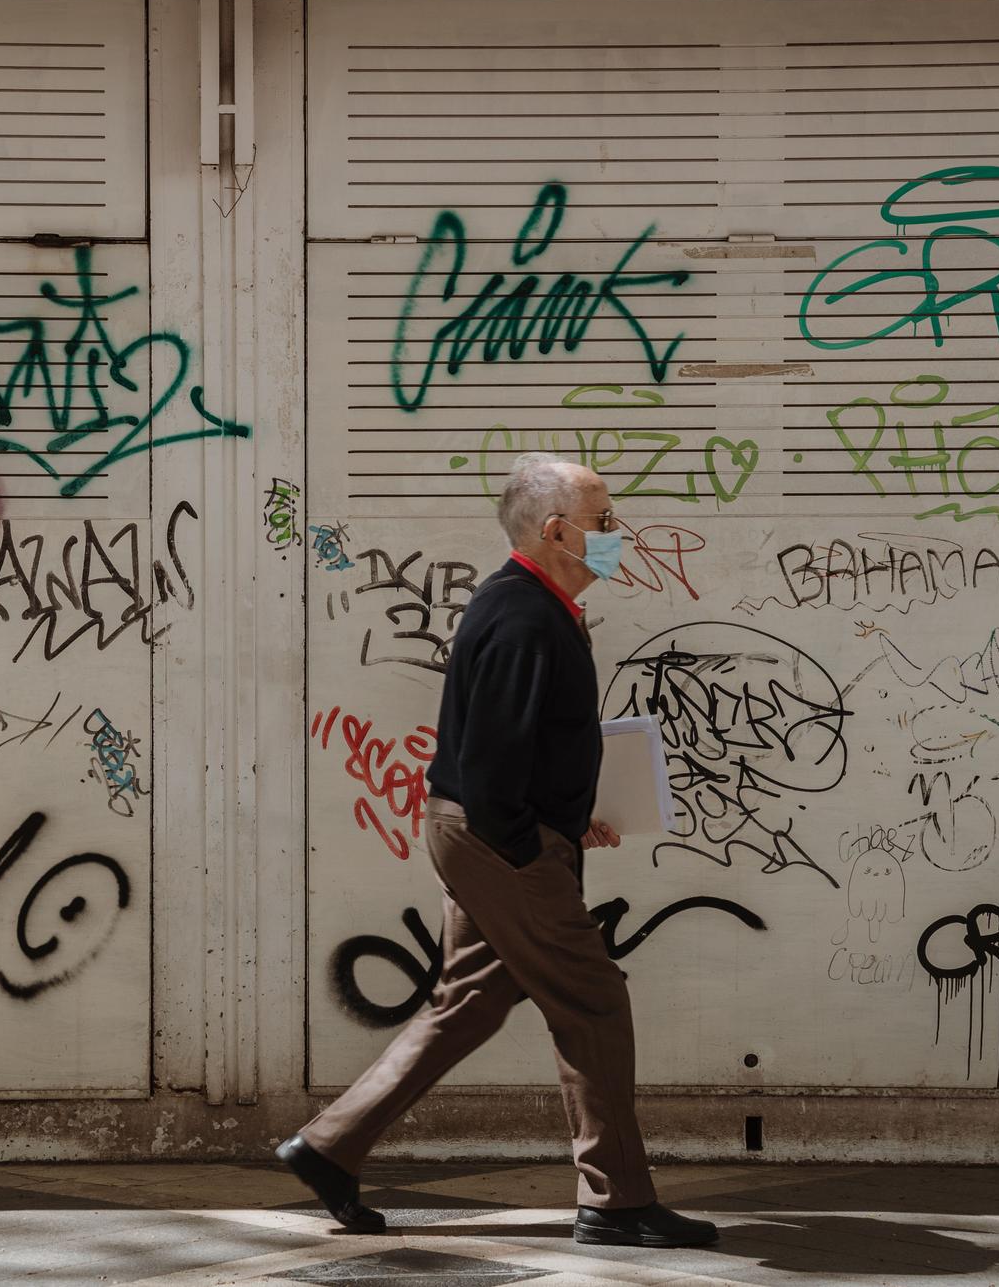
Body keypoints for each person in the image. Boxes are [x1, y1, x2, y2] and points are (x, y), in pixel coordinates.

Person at [277, 453, 717, 1250]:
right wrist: (535, 847)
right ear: (557, 532)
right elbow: (489, 763)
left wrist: (569, 814)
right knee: (592, 996)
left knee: (470, 1001)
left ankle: (329, 1145)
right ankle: (617, 1201)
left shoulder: (536, 607)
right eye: (604, 523)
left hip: (485, 830)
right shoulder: (523, 616)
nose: (618, 535)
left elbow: (515, 747)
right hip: (496, 838)